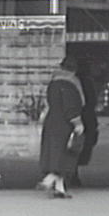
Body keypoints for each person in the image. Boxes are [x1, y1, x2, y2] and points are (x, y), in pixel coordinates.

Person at [37, 56, 85, 199]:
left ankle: (60, 188)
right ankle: (49, 180)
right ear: (74, 70)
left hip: (51, 121)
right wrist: (78, 123)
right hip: (64, 124)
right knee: (66, 154)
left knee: (55, 153)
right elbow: (70, 107)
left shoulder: (53, 83)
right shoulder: (70, 85)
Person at [70, 62, 99, 187]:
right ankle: (72, 173)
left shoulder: (74, 81)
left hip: (81, 115)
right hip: (86, 117)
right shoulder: (86, 82)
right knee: (80, 145)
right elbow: (92, 100)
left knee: (75, 145)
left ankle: (72, 172)